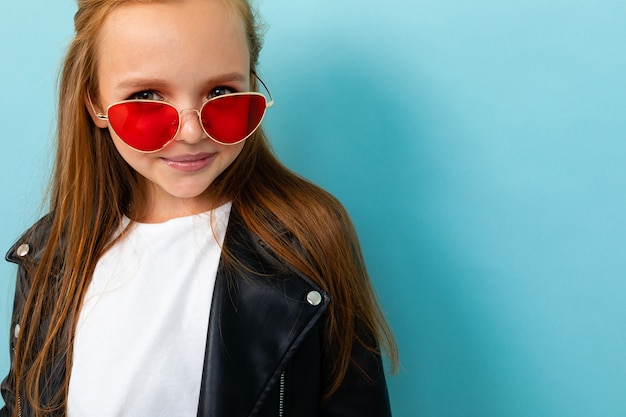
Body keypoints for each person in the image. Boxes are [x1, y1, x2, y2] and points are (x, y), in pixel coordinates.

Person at [0, 0, 398, 416]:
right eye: (147, 95)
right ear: (94, 104)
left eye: (220, 92)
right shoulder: (48, 253)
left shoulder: (310, 237)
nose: (192, 133)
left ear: (252, 85)